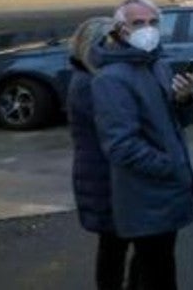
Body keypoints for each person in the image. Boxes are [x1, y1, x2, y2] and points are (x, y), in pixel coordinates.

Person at [92, 0, 193, 290]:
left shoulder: (157, 65)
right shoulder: (111, 79)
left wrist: (184, 99)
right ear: (120, 30)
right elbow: (120, 145)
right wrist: (170, 165)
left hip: (166, 193)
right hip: (145, 196)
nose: (147, 29)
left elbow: (176, 123)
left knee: (154, 267)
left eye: (153, 22)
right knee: (159, 275)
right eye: (138, 23)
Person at [67, 17, 128, 290]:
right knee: (114, 246)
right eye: (110, 42)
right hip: (104, 176)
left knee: (114, 245)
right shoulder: (91, 84)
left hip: (100, 173)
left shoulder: (89, 77)